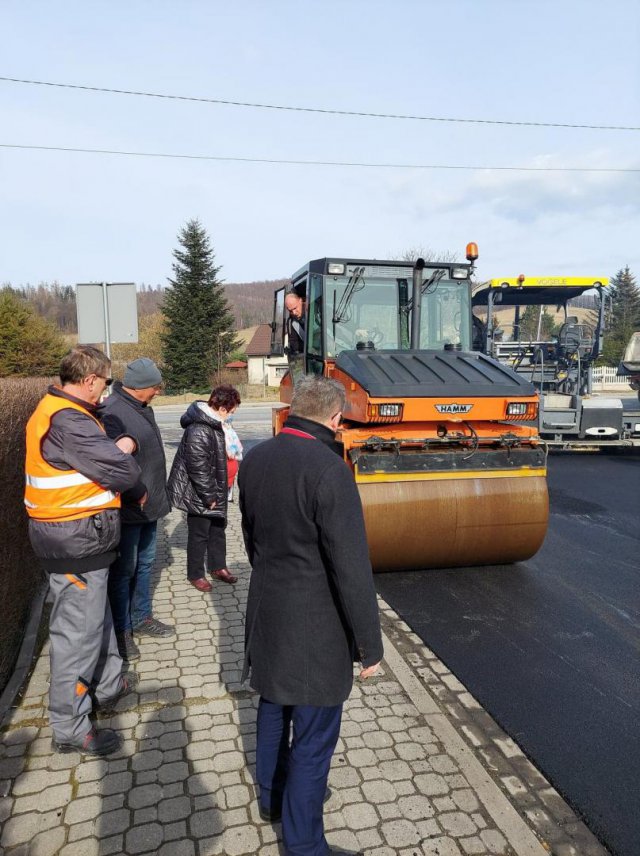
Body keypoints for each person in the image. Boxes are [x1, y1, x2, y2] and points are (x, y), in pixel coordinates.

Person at [238, 375, 383, 856]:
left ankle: (272, 801)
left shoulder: (256, 459)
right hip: (315, 627)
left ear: (294, 407)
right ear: (336, 418)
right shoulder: (330, 470)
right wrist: (369, 647)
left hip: (266, 610)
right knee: (314, 740)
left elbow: (251, 537)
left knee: (273, 708)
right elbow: (351, 568)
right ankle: (304, 845)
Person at [24, 346, 143, 756]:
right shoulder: (69, 420)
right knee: (77, 635)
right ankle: (70, 727)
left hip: (81, 540)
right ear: (90, 379)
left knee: (97, 618)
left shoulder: (64, 411)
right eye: (106, 382)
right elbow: (123, 471)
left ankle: (108, 685)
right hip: (74, 541)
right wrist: (124, 447)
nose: (106, 391)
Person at [101, 358, 174, 663]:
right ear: (141, 387)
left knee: (144, 565)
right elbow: (114, 463)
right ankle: (122, 631)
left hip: (150, 506)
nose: (158, 392)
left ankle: (141, 617)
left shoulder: (142, 407)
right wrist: (135, 493)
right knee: (123, 572)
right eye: (155, 387)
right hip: (131, 507)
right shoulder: (113, 412)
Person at [167, 384, 241, 592]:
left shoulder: (219, 424)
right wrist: (209, 495)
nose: (234, 413)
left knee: (218, 530)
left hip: (219, 488)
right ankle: (196, 574)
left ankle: (218, 567)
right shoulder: (200, 428)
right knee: (199, 534)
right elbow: (198, 467)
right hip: (202, 493)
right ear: (223, 408)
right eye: (233, 409)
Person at [284, 291, 306, 356]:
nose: (293, 312)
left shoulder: (315, 314)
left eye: (295, 308)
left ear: (300, 301)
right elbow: (294, 342)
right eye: (290, 311)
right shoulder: (294, 322)